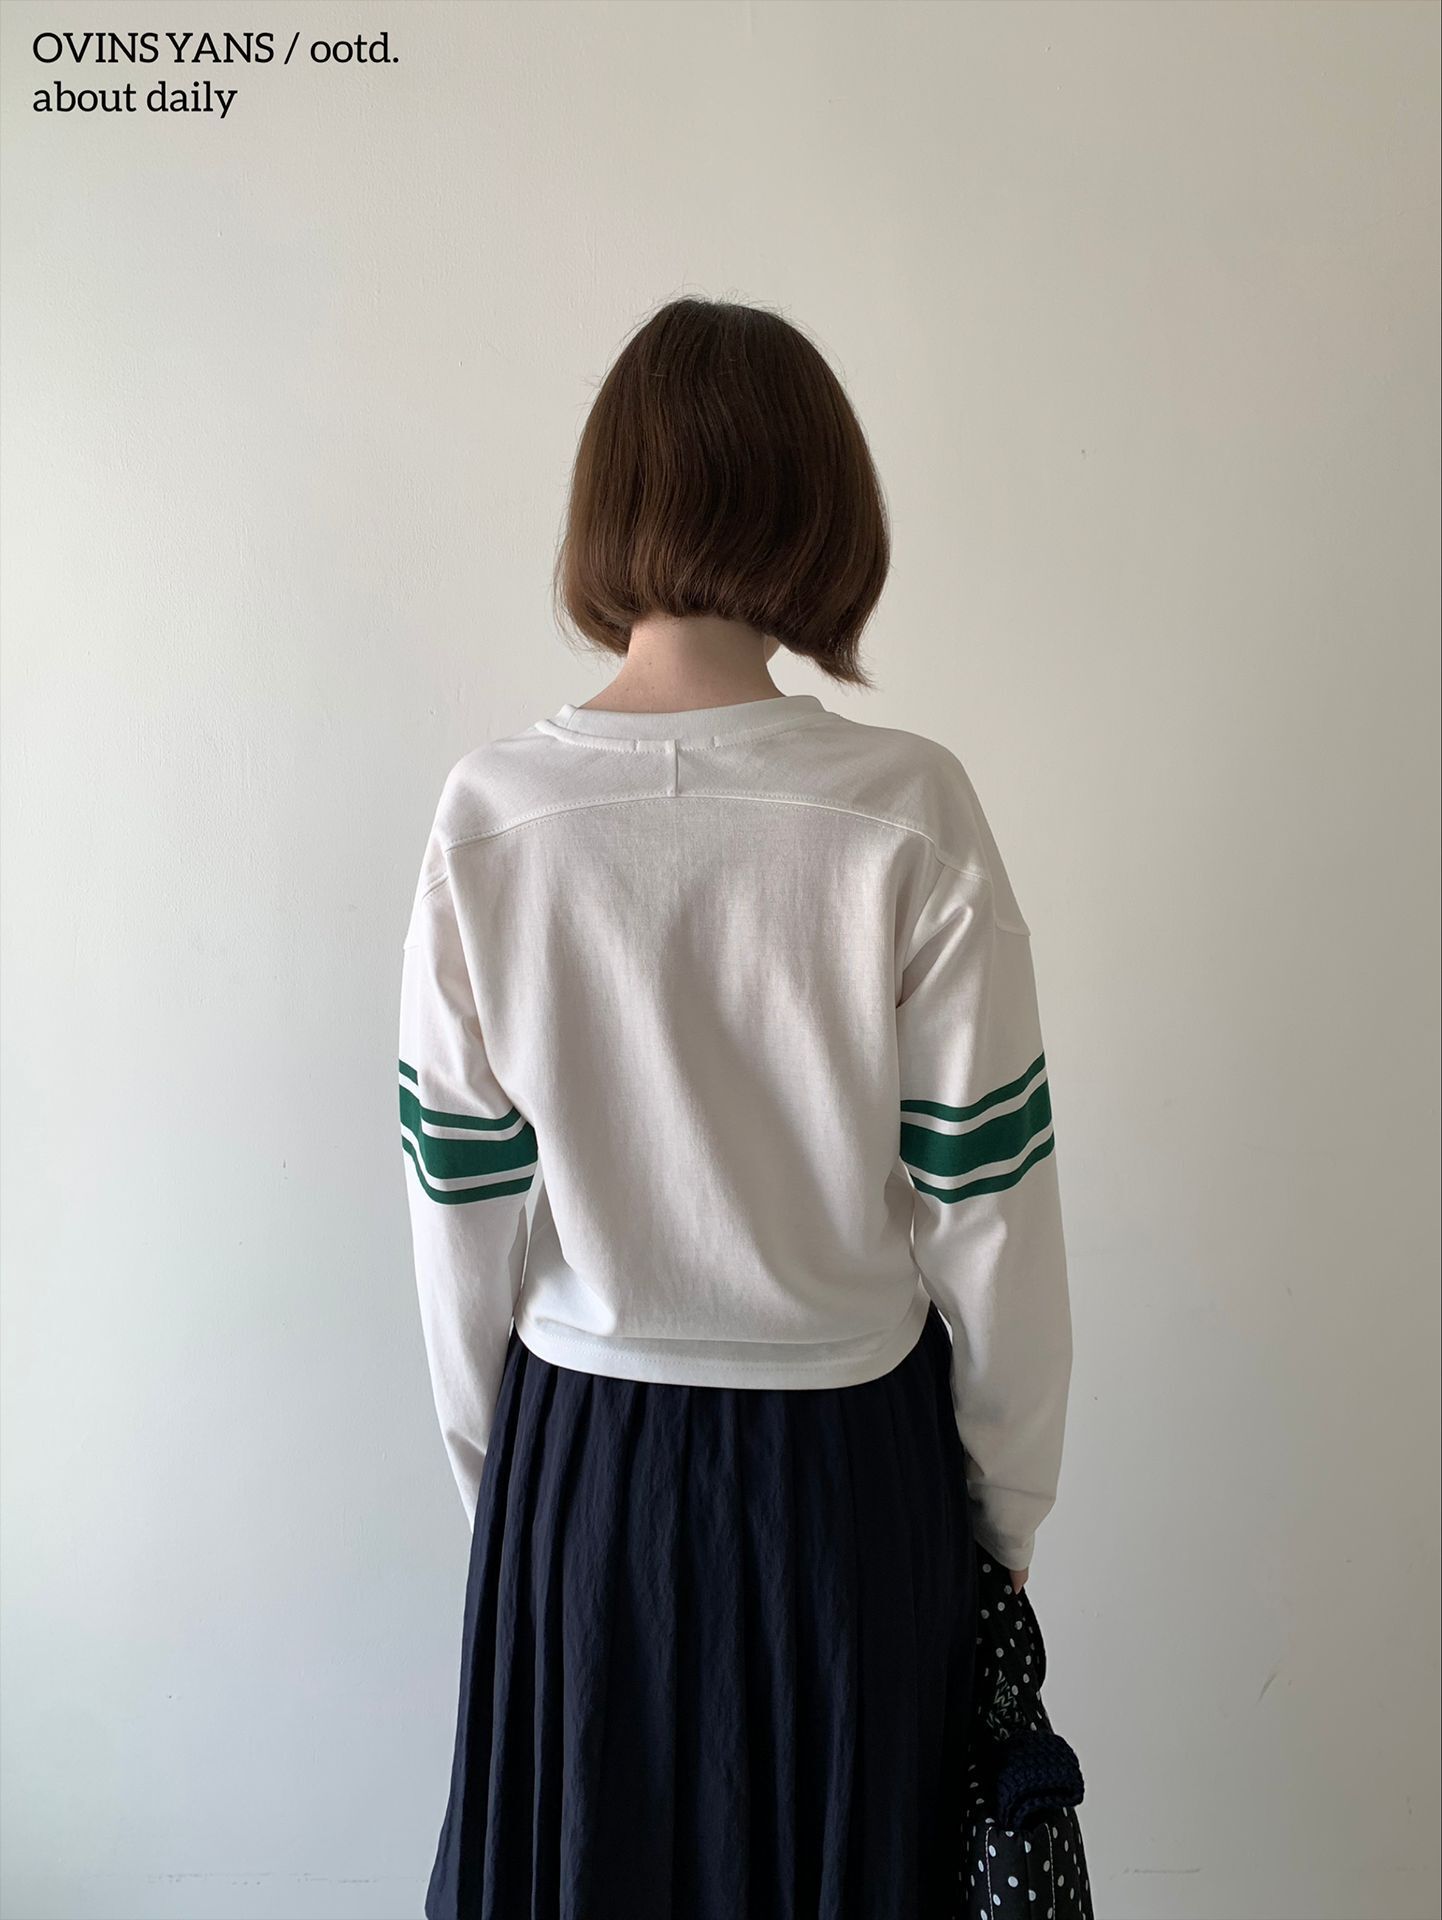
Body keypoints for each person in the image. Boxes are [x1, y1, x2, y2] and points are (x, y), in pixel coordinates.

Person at [398, 296, 1073, 1920]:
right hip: (848, 1477)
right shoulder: (905, 813)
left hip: (580, 1465)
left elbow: (458, 1218)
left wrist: (516, 1498)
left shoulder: (491, 821)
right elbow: (988, 1211)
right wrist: (1001, 1514)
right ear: (821, 509)